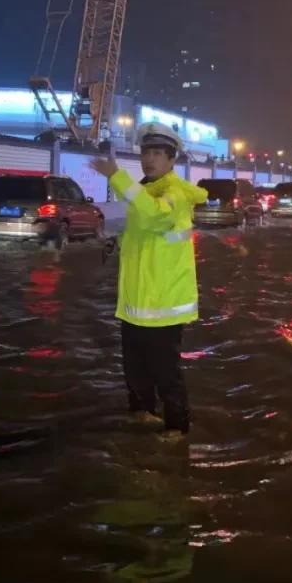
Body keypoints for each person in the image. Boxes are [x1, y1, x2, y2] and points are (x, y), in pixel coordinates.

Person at [90, 123, 208, 437]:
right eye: (145, 152)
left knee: (166, 374)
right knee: (135, 372)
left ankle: (177, 430)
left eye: (157, 153)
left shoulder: (175, 194)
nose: (149, 159)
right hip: (135, 305)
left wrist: (116, 176)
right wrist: (118, 241)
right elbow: (147, 231)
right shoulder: (148, 191)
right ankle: (142, 416)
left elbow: (156, 216)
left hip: (163, 305)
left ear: (171, 160)